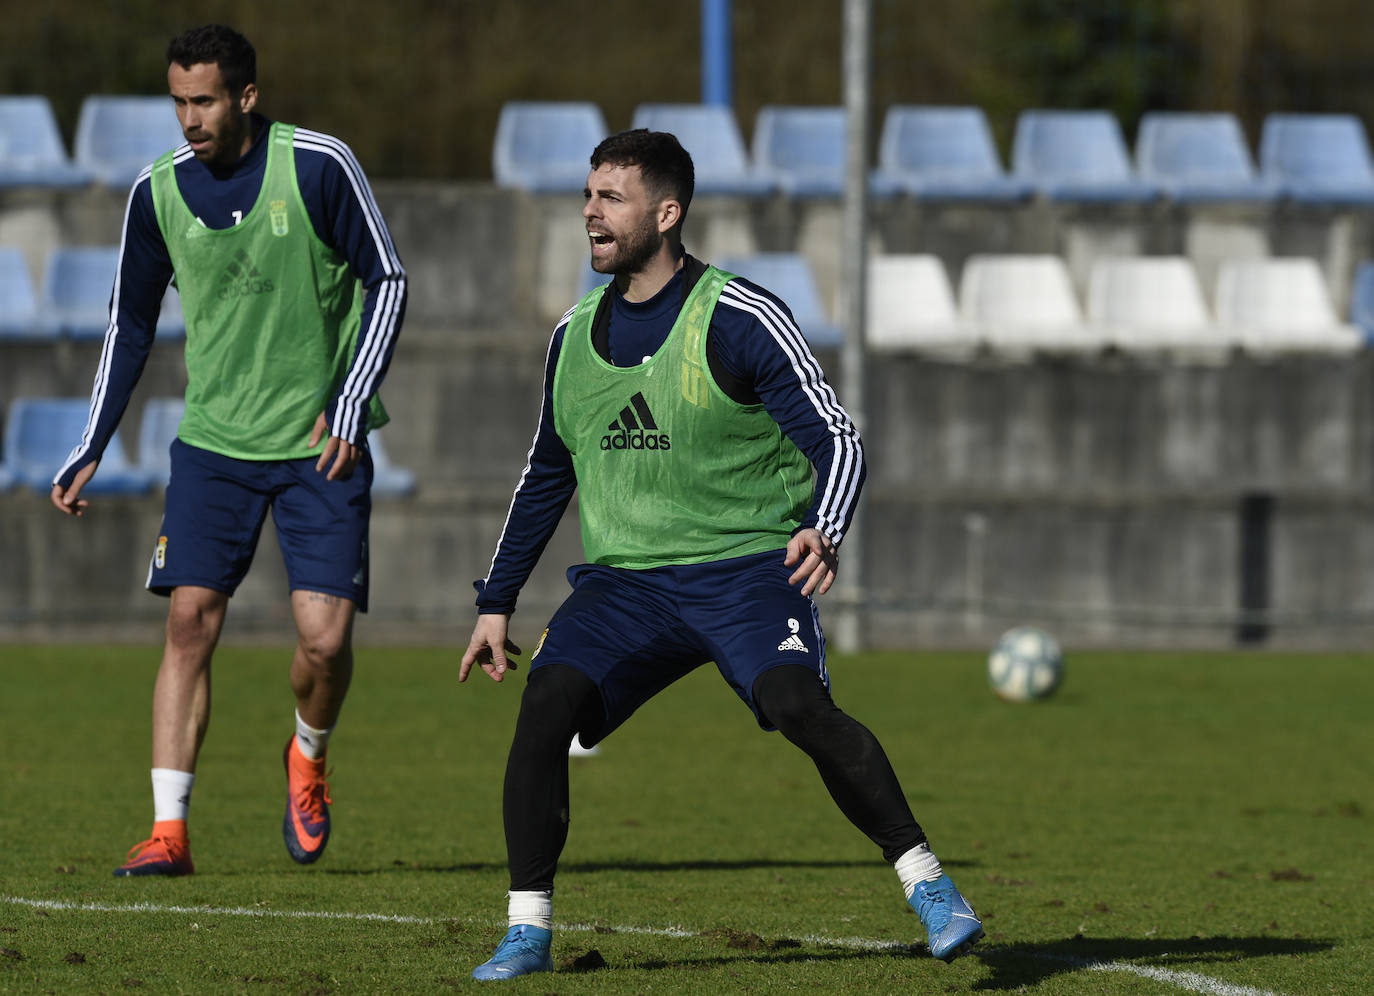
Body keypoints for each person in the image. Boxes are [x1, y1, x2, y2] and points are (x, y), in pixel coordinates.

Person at [459, 129, 981, 981]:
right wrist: (496, 601)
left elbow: (838, 437)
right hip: (625, 585)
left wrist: (826, 525)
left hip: (745, 574)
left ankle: (929, 885)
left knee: (797, 706)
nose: (590, 211)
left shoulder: (738, 317)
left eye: (611, 197)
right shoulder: (572, 336)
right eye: (588, 194)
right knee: (546, 702)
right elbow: (545, 474)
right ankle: (527, 929)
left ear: (666, 214)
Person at [50, 24, 407, 877]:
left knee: (323, 644)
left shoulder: (318, 164)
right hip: (213, 447)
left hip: (321, 445)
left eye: (203, 100)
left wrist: (350, 401)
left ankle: (308, 755)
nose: (188, 119)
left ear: (246, 96)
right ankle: (168, 830)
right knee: (186, 622)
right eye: (177, 101)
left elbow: (387, 277)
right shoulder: (157, 193)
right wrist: (91, 439)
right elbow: (129, 322)